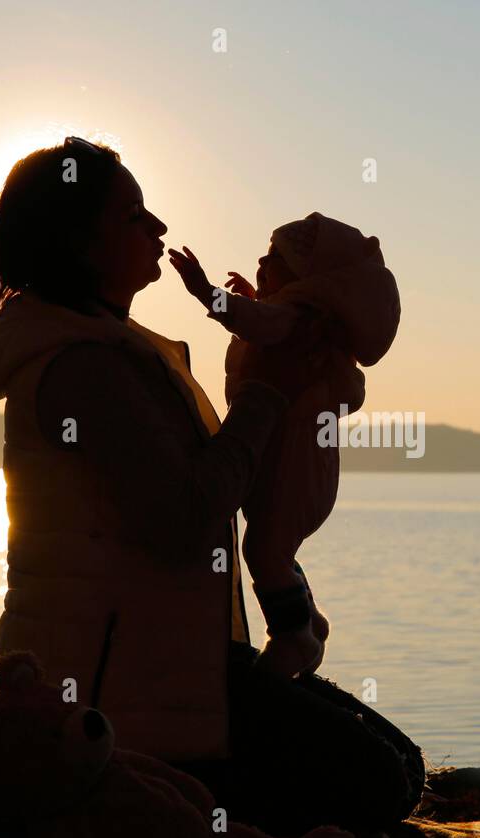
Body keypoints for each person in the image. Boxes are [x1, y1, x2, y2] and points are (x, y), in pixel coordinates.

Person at [0, 137, 422, 838]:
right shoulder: (84, 368)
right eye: (133, 217)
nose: (158, 229)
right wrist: (269, 393)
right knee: (380, 780)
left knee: (399, 766)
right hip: (113, 702)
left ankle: (197, 808)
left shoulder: (122, 350)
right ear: (78, 241)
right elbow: (183, 521)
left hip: (175, 665)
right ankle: (144, 804)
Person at [167, 214, 400, 678]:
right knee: (273, 548)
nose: (260, 259)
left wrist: (206, 292)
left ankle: (293, 636)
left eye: (275, 258)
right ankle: (307, 620)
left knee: (264, 550)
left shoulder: (296, 320)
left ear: (308, 280)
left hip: (294, 470)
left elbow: (256, 322)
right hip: (296, 469)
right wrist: (256, 303)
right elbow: (261, 322)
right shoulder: (300, 322)